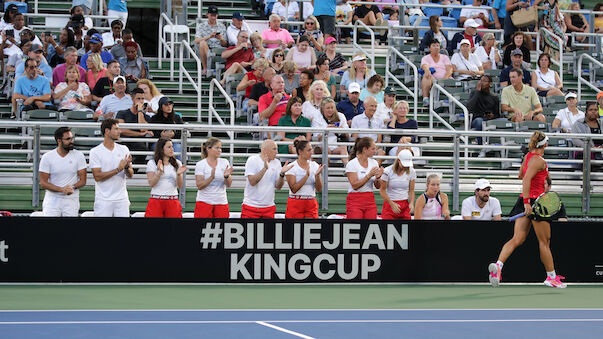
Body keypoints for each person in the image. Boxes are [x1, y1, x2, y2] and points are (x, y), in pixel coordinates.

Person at [489, 131, 567, 288]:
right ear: (544, 144)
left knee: (517, 238)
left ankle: (498, 266)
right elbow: (525, 179)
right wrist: (527, 203)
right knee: (544, 242)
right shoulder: (539, 161)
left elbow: (520, 175)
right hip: (536, 202)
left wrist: (535, 183)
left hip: (526, 199)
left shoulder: (528, 157)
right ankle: (551, 277)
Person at [89, 118, 133, 217]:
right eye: (116, 129)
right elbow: (97, 177)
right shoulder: (95, 152)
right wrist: (118, 169)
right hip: (103, 200)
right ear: (107, 131)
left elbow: (130, 175)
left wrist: (126, 167)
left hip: (122, 199)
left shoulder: (124, 149)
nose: (119, 131)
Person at [39, 127, 87, 216]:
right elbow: (43, 182)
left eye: (72, 138)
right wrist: (61, 190)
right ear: (59, 141)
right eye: (68, 139)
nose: (71, 141)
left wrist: (71, 187)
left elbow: (83, 181)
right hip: (52, 199)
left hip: (71, 199)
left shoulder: (79, 155)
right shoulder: (47, 157)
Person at [242, 139, 293, 218]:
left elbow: (278, 186)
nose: (277, 152)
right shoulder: (253, 160)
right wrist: (264, 169)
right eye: (274, 149)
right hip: (251, 206)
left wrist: (282, 174)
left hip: (269, 207)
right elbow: (252, 182)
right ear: (265, 150)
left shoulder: (277, 162)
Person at [145, 138, 186, 218]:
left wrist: (178, 175)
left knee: (174, 228)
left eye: (172, 147)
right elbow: (151, 183)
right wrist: (159, 172)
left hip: (172, 199)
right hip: (156, 199)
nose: (172, 149)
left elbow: (180, 186)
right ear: (161, 149)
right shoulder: (152, 163)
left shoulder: (177, 163)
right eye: (169, 147)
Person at [285, 139, 324, 218]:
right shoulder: (292, 166)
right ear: (300, 152)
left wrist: (317, 176)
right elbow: (294, 189)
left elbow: (319, 189)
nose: (312, 152)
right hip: (296, 201)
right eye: (309, 150)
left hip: (311, 201)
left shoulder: (314, 165)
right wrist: (306, 177)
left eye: (311, 149)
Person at [194, 137, 233, 218]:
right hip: (204, 202)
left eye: (220, 148)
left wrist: (226, 176)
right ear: (208, 149)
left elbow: (228, 185)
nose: (220, 150)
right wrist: (211, 177)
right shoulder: (200, 164)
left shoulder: (224, 162)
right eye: (217, 148)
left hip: (221, 202)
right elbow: (199, 186)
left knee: (222, 229)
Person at [345, 137, 383, 219]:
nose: (375, 151)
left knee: (370, 226)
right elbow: (355, 186)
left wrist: (378, 178)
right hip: (355, 199)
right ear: (365, 149)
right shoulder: (352, 164)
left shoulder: (374, 163)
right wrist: (369, 175)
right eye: (373, 149)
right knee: (356, 227)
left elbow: (378, 186)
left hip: (370, 199)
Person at [115, 88, 153, 164]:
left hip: (138, 143)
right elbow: (121, 130)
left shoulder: (146, 117)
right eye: (138, 98)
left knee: (143, 150)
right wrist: (139, 134)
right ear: (132, 99)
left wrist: (140, 111)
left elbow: (142, 128)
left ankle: (132, 171)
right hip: (123, 141)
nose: (141, 101)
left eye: (142, 99)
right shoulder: (122, 113)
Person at [311, 97, 349, 165]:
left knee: (343, 147)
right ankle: (326, 172)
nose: (330, 110)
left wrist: (341, 130)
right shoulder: (317, 118)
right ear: (323, 108)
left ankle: (347, 168)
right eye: (328, 108)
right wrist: (326, 130)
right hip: (322, 145)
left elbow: (348, 134)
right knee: (326, 149)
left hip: (336, 145)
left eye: (332, 108)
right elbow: (316, 137)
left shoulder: (341, 116)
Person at [379, 149, 416, 220]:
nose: (406, 167)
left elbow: (411, 190)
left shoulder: (412, 171)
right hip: (389, 205)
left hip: (404, 205)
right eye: (404, 164)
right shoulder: (387, 171)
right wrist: (391, 203)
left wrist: (411, 203)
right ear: (398, 160)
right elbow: (382, 190)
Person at [194, 5, 228, 75]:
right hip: (206, 48)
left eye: (215, 15)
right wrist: (209, 37)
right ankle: (205, 68)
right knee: (202, 43)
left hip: (218, 49)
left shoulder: (222, 26)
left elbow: (225, 44)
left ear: (217, 15)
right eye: (211, 15)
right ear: (207, 15)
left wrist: (221, 39)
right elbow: (196, 40)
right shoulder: (202, 26)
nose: (213, 17)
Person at [421, 39, 453, 106]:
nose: (436, 47)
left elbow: (449, 69)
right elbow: (425, 66)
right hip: (433, 79)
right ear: (429, 48)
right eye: (434, 46)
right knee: (426, 76)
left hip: (446, 78)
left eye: (437, 46)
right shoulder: (426, 58)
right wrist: (427, 71)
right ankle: (425, 98)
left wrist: (444, 79)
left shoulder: (445, 57)